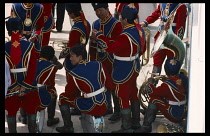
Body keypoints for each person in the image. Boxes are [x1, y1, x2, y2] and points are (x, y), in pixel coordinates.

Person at [92, 4, 146, 133]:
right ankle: (136, 122)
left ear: (126, 20)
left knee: (122, 96)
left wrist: (99, 36)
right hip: (134, 65)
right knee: (133, 93)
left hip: (124, 68)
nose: (120, 20)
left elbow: (111, 48)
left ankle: (126, 127)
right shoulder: (138, 29)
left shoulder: (125, 35)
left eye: (122, 18)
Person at [56, 44, 114, 133]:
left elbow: (69, 93)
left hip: (91, 106)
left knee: (62, 97)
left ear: (79, 57)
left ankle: (68, 127)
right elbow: (109, 84)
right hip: (104, 103)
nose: (70, 59)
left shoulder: (73, 73)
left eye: (72, 56)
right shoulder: (98, 64)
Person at [5, 17, 40, 133]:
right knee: (31, 110)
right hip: (29, 85)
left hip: (11, 87)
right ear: (21, 30)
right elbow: (33, 69)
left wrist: (14, 86)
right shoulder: (30, 46)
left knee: (11, 112)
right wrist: (24, 86)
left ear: (8, 32)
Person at [134, 58, 188, 133]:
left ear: (166, 69)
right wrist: (167, 80)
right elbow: (177, 87)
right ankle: (149, 113)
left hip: (174, 114)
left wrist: (150, 83)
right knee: (161, 96)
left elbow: (152, 92)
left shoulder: (166, 85)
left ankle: (146, 126)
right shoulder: (184, 78)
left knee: (154, 99)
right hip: (184, 111)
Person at [89, 3, 123, 121]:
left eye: (100, 10)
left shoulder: (116, 24)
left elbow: (115, 43)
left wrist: (98, 37)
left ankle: (118, 110)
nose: (98, 13)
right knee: (102, 83)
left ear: (107, 9)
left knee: (113, 85)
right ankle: (107, 106)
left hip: (112, 59)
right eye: (96, 11)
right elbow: (92, 45)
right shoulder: (95, 23)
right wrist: (92, 61)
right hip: (99, 58)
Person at [140, 3, 188, 80]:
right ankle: (153, 83)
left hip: (172, 40)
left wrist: (175, 42)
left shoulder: (181, 6)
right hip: (160, 36)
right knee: (157, 61)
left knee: (171, 66)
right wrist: (146, 22)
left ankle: (170, 85)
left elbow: (180, 28)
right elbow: (156, 14)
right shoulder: (163, 3)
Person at [59, 3, 91, 115]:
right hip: (82, 56)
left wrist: (61, 53)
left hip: (73, 59)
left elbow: (70, 49)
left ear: (71, 13)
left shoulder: (76, 28)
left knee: (72, 85)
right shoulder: (86, 23)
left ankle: (76, 106)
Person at [35, 45, 60, 127]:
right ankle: (50, 119)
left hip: (29, 90)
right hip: (41, 93)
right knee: (53, 92)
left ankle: (24, 116)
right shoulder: (52, 67)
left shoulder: (32, 62)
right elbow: (50, 84)